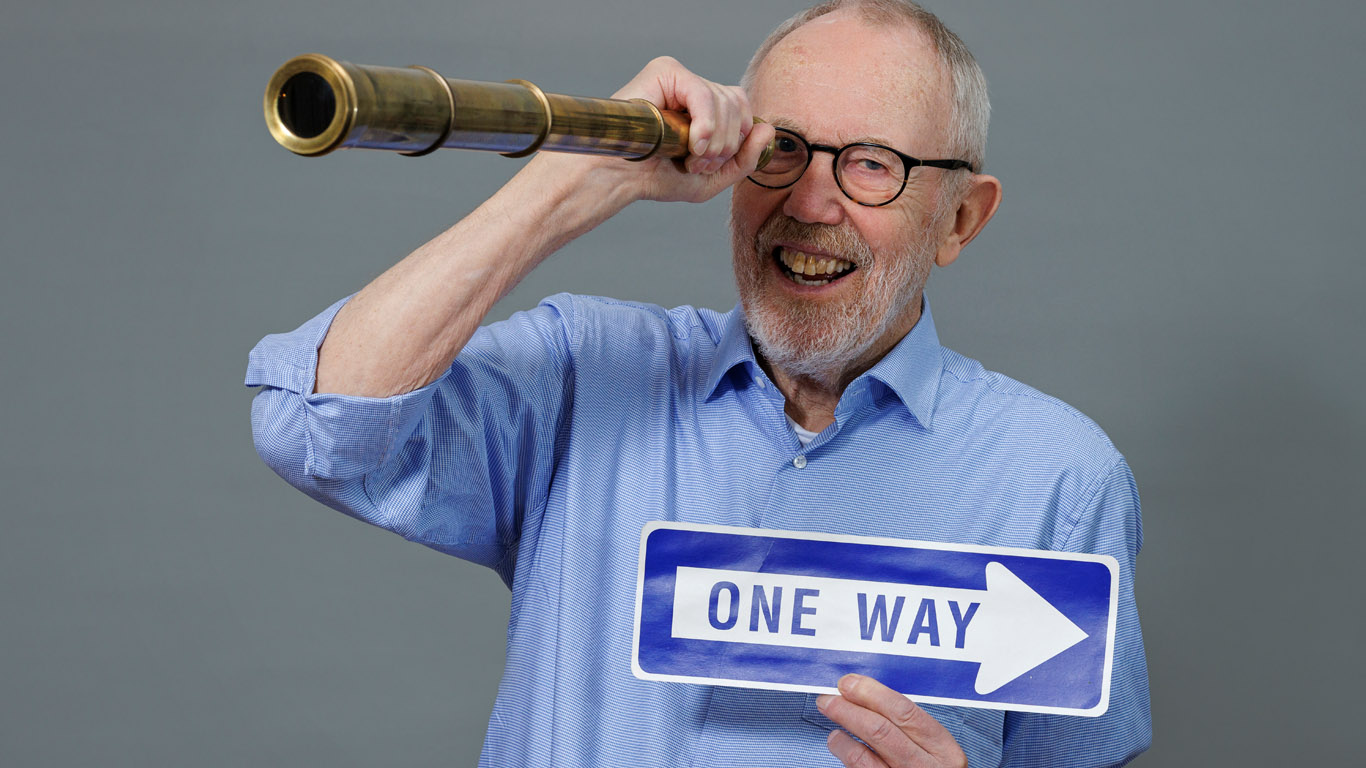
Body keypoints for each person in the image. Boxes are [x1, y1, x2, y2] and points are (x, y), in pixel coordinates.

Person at [247, 1, 1151, 765]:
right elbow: (313, 427)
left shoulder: (1059, 480)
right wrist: (569, 185)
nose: (809, 203)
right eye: (782, 150)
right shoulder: (582, 377)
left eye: (874, 163)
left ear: (960, 219)